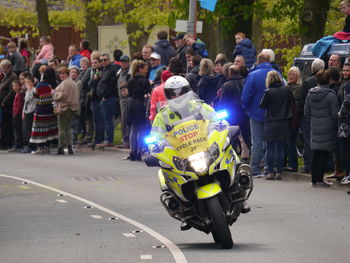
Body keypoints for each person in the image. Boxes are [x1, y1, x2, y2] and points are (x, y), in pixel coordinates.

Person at [241, 52, 275, 177]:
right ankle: (268, 167)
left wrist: (246, 108)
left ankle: (254, 168)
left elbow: (246, 95)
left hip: (256, 112)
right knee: (269, 142)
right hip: (272, 113)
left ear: (258, 61)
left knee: (257, 142)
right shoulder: (276, 73)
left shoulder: (253, 75)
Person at [304, 70, 339, 187]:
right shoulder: (331, 95)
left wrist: (313, 121)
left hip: (315, 127)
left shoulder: (310, 94)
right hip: (328, 128)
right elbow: (335, 115)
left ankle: (314, 180)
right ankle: (320, 180)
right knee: (323, 155)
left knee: (316, 154)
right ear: (328, 80)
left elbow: (306, 112)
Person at [260, 71, 294, 180]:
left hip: (270, 122)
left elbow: (262, 105)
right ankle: (279, 172)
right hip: (284, 121)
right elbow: (292, 102)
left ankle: (270, 172)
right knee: (280, 148)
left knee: (270, 148)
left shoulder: (268, 92)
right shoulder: (286, 89)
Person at [217, 65, 251, 154]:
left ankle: (232, 154)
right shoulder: (245, 82)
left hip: (231, 114)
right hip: (244, 113)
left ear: (229, 73)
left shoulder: (227, 85)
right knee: (247, 135)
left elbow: (222, 103)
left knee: (231, 136)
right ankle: (254, 155)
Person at [299, 58, 325, 173]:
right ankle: (324, 165)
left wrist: (301, 115)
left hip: (308, 116)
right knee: (322, 141)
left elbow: (302, 100)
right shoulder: (326, 81)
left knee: (309, 140)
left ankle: (309, 165)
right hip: (323, 116)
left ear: (312, 68)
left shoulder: (308, 82)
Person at [125, 60, 151, 161]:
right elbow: (149, 92)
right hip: (140, 104)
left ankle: (132, 151)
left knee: (133, 128)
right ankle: (139, 151)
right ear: (140, 69)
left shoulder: (131, 80)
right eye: (145, 68)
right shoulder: (144, 80)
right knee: (141, 129)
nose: (146, 70)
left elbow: (130, 92)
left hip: (131, 103)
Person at [30, 67, 58, 154]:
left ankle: (40, 148)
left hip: (41, 110)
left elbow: (36, 95)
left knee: (40, 128)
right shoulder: (55, 84)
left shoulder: (41, 85)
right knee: (49, 128)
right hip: (51, 110)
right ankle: (47, 147)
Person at [53, 67, 80, 155]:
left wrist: (55, 94)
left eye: (63, 73)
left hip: (65, 108)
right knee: (68, 128)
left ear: (67, 74)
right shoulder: (71, 82)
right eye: (60, 73)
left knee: (61, 129)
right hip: (72, 108)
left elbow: (63, 95)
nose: (61, 75)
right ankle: (69, 147)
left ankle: (61, 147)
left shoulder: (66, 83)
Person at [96, 53, 118, 147]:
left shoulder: (112, 70)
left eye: (105, 60)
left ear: (109, 60)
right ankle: (106, 139)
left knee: (108, 120)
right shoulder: (102, 70)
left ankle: (109, 140)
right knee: (105, 120)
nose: (103, 62)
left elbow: (112, 85)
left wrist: (105, 96)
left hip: (108, 98)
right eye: (101, 60)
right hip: (102, 98)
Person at [285, 66, 303, 173]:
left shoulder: (299, 87)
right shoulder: (286, 86)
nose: (291, 76)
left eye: (293, 74)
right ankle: (287, 162)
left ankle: (293, 164)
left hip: (293, 118)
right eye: (290, 74)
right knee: (287, 141)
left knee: (291, 141)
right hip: (285, 117)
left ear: (298, 76)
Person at [0, 59, 18, 150]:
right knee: (4, 123)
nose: (3, 70)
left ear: (9, 68)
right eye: (2, 68)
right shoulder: (5, 76)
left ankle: (7, 142)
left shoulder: (13, 77)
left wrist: (4, 101)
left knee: (7, 124)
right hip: (4, 103)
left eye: (5, 68)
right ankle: (4, 142)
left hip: (8, 104)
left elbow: (12, 92)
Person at [337, 63, 350, 184]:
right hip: (345, 121)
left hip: (346, 123)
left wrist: (340, 113)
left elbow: (347, 100)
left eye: (348, 70)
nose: (345, 72)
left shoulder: (347, 85)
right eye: (344, 70)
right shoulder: (344, 84)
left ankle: (348, 174)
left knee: (345, 149)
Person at [116, 55, 131, 149]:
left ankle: (127, 140)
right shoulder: (120, 72)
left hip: (127, 99)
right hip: (121, 99)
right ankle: (124, 139)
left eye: (125, 61)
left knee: (126, 119)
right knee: (123, 120)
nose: (123, 63)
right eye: (122, 61)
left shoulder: (129, 73)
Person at [22, 74, 37, 153]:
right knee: (26, 129)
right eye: (26, 82)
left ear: (32, 82)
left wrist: (30, 89)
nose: (27, 83)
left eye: (29, 82)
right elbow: (25, 102)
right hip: (27, 111)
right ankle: (28, 145)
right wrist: (23, 112)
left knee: (30, 129)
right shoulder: (27, 91)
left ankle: (31, 146)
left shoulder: (34, 90)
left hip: (32, 111)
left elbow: (30, 98)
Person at [9, 80, 24, 152]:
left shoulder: (20, 94)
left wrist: (16, 113)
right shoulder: (17, 93)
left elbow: (19, 106)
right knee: (16, 130)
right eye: (13, 86)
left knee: (17, 130)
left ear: (20, 86)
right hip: (15, 114)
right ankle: (18, 145)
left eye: (16, 86)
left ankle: (18, 145)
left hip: (17, 115)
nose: (14, 87)